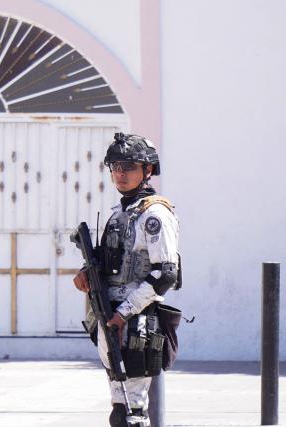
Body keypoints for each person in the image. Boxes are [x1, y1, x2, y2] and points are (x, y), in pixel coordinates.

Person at [73, 132, 180, 427]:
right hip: (111, 318)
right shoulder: (120, 212)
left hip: (135, 321)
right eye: (116, 166)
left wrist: (124, 312)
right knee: (119, 409)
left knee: (132, 413)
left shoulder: (154, 215)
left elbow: (165, 274)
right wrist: (86, 274)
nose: (120, 173)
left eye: (129, 166)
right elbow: (111, 262)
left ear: (147, 171)